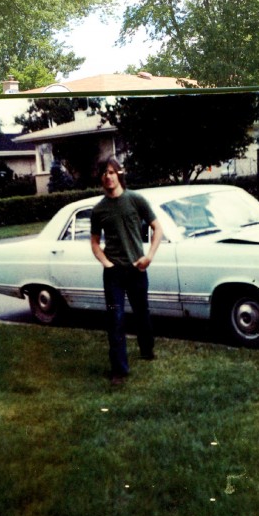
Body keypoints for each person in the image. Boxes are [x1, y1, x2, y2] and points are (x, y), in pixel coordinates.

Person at [90, 157, 163, 385]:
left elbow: (157, 228)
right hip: (113, 276)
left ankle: (147, 350)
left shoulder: (136, 200)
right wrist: (107, 264)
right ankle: (119, 370)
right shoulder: (98, 210)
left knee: (142, 312)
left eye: (111, 172)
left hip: (137, 270)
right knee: (115, 318)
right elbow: (94, 243)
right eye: (104, 173)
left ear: (118, 174)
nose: (108, 176)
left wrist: (148, 256)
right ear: (100, 177)